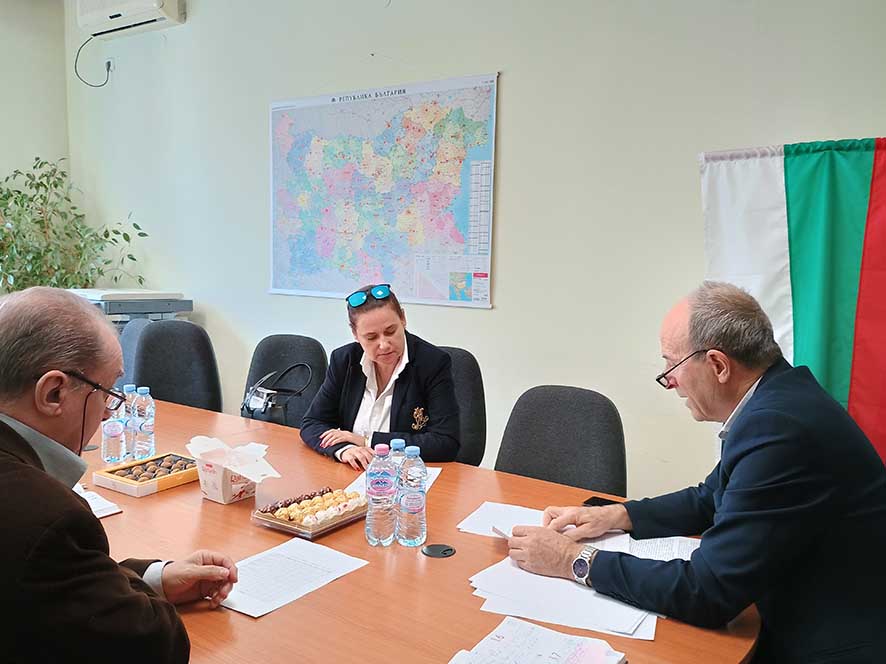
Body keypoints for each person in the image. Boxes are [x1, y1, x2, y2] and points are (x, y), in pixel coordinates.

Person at [506, 281, 886, 663]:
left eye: (672, 365)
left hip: (829, 645)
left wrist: (574, 560)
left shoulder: (779, 429)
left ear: (718, 365)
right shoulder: (778, 397)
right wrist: (616, 515)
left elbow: (708, 592)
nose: (668, 380)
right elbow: (711, 496)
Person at [0, 287, 238, 663]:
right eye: (106, 391)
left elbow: (60, 583)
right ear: (54, 393)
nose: (109, 412)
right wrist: (136, 590)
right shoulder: (47, 518)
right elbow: (156, 643)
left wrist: (154, 578)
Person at [301, 283, 460, 469]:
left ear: (403, 319)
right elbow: (312, 423)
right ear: (355, 334)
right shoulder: (344, 360)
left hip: (406, 475)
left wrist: (367, 441)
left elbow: (445, 442)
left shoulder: (432, 363)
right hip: (352, 471)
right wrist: (344, 450)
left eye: (390, 331)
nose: (384, 345)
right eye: (371, 337)